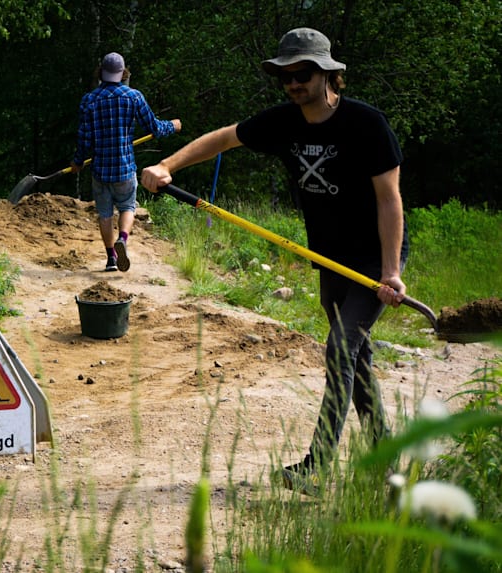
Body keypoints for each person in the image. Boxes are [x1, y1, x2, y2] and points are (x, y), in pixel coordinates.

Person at [141, 28, 409, 495]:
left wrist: (390, 272)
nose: (292, 83)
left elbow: (390, 201)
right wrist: (168, 165)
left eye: (301, 73)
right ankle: (390, 467)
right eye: (284, 75)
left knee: (341, 349)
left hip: (373, 258)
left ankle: (317, 467)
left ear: (328, 74)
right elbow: (224, 138)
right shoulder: (284, 122)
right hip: (329, 256)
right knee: (356, 358)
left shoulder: (367, 124)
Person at [70, 52, 182, 272]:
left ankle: (111, 258)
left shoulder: (89, 100)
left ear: (101, 71)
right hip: (125, 169)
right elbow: (155, 128)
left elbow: (84, 138)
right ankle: (123, 238)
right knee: (128, 207)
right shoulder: (133, 97)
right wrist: (173, 125)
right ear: (123, 73)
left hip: (100, 170)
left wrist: (78, 161)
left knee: (104, 214)